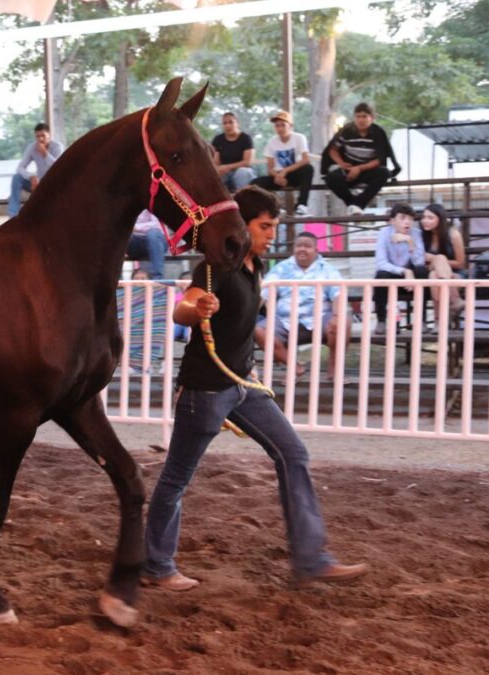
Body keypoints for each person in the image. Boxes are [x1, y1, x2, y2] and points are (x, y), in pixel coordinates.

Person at [143, 185, 366, 592]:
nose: (271, 235)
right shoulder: (216, 267)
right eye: (264, 227)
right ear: (241, 227)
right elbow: (183, 308)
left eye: (274, 227)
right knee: (177, 477)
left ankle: (311, 559)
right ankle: (156, 566)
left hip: (244, 386)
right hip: (206, 390)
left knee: (293, 453)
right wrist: (198, 309)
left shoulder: (255, 266)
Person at [256, 232, 348, 379]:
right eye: (299, 245)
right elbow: (264, 293)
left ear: (316, 250)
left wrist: (337, 315)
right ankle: (295, 368)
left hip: (320, 320)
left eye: (307, 246)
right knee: (259, 331)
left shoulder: (327, 269)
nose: (302, 249)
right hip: (286, 321)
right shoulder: (281, 268)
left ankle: (334, 369)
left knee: (342, 322)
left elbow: (338, 295)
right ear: (294, 248)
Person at [323, 103, 398, 215]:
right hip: (349, 169)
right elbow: (333, 149)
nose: (361, 120)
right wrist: (341, 163)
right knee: (330, 178)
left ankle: (358, 204)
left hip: (370, 170)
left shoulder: (378, 133)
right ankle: (353, 204)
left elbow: (380, 158)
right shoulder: (346, 131)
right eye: (358, 116)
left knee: (384, 173)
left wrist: (358, 168)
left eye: (364, 116)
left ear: (372, 118)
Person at [373, 203, 427, 334]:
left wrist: (409, 241)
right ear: (392, 221)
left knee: (421, 271)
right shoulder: (384, 233)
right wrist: (404, 271)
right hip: (394, 274)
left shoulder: (416, 234)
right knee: (381, 275)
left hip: (411, 278)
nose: (407, 222)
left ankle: (421, 319)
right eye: (402, 218)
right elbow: (381, 262)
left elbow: (419, 261)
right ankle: (381, 320)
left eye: (410, 219)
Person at [250, 111, 313, 216]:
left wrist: (285, 171)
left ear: (290, 126)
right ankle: (273, 207)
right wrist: (277, 175)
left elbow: (306, 159)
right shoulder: (271, 142)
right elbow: (270, 168)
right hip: (278, 176)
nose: (280, 128)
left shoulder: (299, 138)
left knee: (308, 169)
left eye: (283, 125)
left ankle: (302, 205)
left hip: (294, 173)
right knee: (255, 183)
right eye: (277, 126)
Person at [420, 203, 466, 320]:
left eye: (430, 218)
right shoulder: (422, 236)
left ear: (440, 219)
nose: (425, 221)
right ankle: (455, 299)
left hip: (456, 275)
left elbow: (461, 263)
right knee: (436, 264)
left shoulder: (453, 234)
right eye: (424, 217)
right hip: (430, 269)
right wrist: (435, 261)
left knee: (434, 275)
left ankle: (439, 321)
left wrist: (436, 259)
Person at [7, 122, 65, 217]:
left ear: (49, 135)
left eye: (43, 135)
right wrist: (31, 176)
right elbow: (20, 167)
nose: (40, 139)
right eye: (37, 136)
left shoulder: (57, 147)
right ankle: (13, 216)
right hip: (37, 184)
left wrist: (45, 153)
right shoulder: (32, 147)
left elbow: (58, 168)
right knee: (16, 178)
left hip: (53, 184)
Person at [212, 112, 256, 191]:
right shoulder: (218, 139)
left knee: (242, 172)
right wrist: (218, 169)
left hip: (243, 171)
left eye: (231, 122)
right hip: (224, 172)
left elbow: (248, 162)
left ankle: (243, 199)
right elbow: (216, 161)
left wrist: (228, 167)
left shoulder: (246, 138)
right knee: (214, 174)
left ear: (237, 123)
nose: (227, 125)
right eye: (224, 123)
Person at [125, 210, 169, 280]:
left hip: (158, 241)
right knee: (120, 236)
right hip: (136, 242)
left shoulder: (153, 201)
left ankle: (158, 278)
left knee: (152, 235)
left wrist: (135, 227)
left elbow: (157, 225)